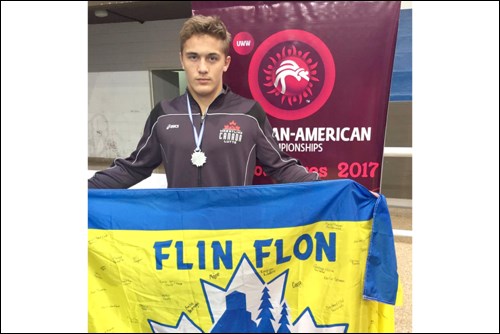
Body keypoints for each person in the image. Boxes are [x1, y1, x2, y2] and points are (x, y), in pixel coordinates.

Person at [88, 15, 319, 189]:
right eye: (193, 57)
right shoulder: (164, 114)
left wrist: (331, 189)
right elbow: (133, 168)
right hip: (181, 234)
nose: (202, 68)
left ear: (226, 62)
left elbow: (281, 167)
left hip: (232, 235)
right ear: (182, 60)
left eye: (212, 58)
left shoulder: (249, 113)